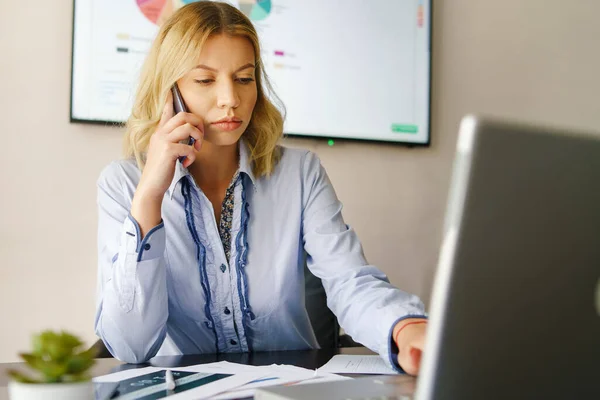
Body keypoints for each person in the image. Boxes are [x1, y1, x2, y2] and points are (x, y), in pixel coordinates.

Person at [95, 1, 428, 375]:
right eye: (205, 80)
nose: (230, 99)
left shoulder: (301, 173)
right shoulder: (122, 184)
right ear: (169, 93)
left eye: (244, 78)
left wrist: (407, 327)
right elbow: (130, 345)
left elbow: (349, 280)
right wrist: (150, 196)